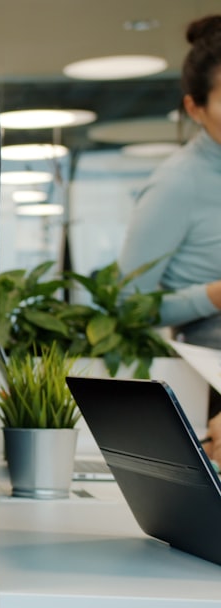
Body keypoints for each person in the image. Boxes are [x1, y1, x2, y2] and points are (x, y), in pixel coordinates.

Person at [118, 14, 221, 462]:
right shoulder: (177, 184)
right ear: (195, 108)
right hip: (212, 376)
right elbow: (129, 304)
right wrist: (214, 295)